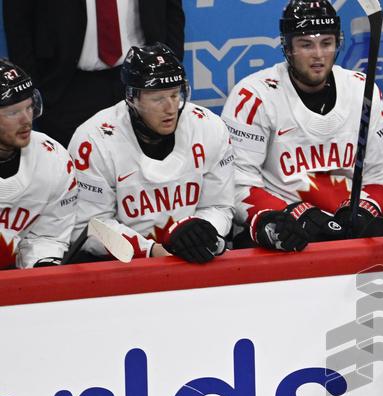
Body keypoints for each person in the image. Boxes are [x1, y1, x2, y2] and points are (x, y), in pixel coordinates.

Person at [222, 0, 383, 255]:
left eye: (326, 43)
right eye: (306, 44)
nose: (318, 55)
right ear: (287, 48)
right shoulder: (254, 96)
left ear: (337, 44)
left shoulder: (363, 90)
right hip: (283, 236)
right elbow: (236, 183)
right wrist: (294, 214)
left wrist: (363, 210)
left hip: (348, 236)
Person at [69, 44, 233, 263]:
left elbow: (219, 206)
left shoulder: (209, 127)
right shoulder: (93, 139)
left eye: (175, 95)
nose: (171, 108)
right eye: (157, 99)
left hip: (192, 258)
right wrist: (150, 250)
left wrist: (200, 233)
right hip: (122, 268)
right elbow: (90, 226)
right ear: (132, 98)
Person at [3, 0, 184, 148]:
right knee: (72, 180)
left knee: (151, 177)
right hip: (64, 86)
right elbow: (17, 20)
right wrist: (35, 86)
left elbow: (172, 10)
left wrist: (168, 67)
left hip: (144, 81)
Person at [0, 59, 77, 268]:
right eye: (13, 112)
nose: (27, 120)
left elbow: (49, 234)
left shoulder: (53, 157)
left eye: (29, 107)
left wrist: (42, 264)